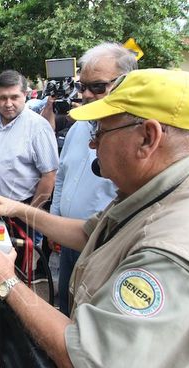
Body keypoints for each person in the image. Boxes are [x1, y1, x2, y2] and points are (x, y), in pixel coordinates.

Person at [0, 68, 189, 367]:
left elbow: (88, 357)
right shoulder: (172, 187)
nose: (92, 144)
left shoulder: (175, 250)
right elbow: (89, 233)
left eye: (100, 131)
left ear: (147, 138)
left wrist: (6, 280)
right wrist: (19, 208)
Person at [52, 42, 136, 316]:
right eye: (82, 86)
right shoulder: (79, 128)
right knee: (65, 307)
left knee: (88, 318)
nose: (87, 94)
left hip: (105, 248)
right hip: (70, 240)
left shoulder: (133, 138)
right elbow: (62, 175)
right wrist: (55, 222)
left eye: (97, 86)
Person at [0, 70, 59, 242]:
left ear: (25, 95)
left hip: (19, 215)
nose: (8, 103)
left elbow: (49, 175)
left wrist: (31, 216)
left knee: (18, 266)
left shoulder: (38, 127)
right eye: (3, 98)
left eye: (14, 97)